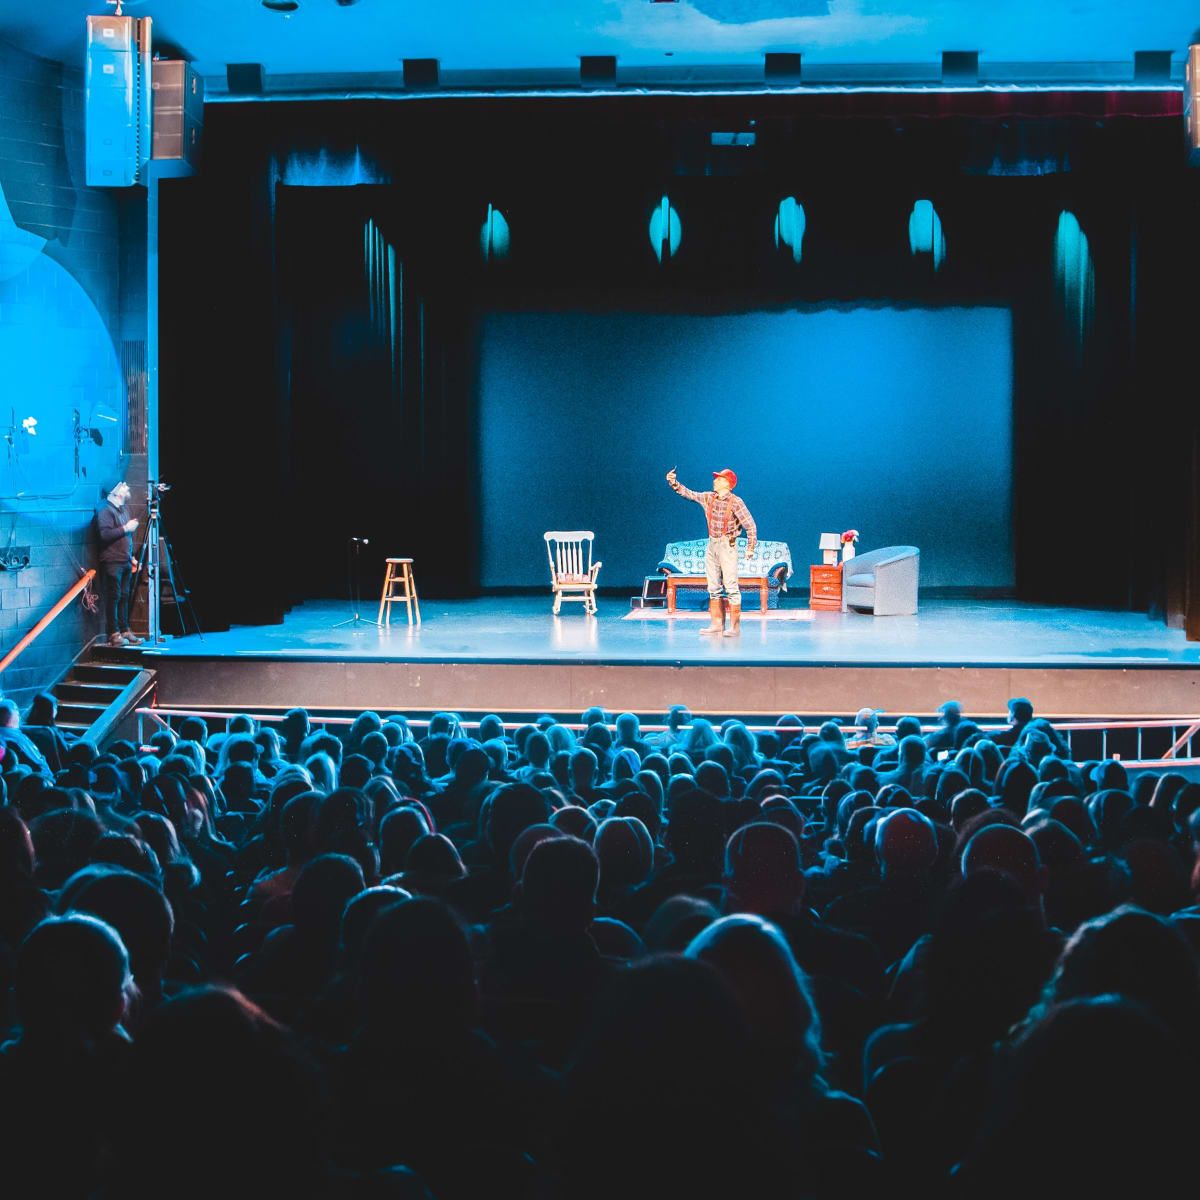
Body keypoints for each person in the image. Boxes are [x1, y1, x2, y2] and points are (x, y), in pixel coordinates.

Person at [666, 466, 757, 638]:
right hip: (712, 545)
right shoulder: (709, 497)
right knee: (713, 586)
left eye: (719, 479)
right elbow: (689, 494)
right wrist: (674, 483)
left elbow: (750, 525)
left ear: (727, 483)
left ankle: (735, 628)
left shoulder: (736, 502)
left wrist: (750, 548)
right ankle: (716, 624)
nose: (714, 481)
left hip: (727, 546)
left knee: (731, 586)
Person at [95, 480, 142, 647]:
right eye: (124, 486)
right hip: (112, 562)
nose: (127, 487)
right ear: (116, 492)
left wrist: (131, 557)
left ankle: (124, 629)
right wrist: (126, 528)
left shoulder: (123, 509)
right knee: (114, 597)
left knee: (124, 596)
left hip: (124, 561)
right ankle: (113, 633)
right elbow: (105, 535)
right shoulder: (105, 511)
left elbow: (127, 539)